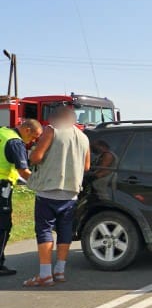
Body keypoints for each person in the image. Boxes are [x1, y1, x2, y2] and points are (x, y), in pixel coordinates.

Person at [23, 107, 90, 287]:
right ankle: (59, 271)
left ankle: (45, 275)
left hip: (49, 189)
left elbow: (37, 157)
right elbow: (86, 167)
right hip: (71, 192)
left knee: (44, 230)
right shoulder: (84, 137)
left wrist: (33, 153)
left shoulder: (52, 130)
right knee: (64, 230)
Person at [0, 119, 43, 276]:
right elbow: (23, 171)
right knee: (3, 225)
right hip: (2, 187)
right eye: (34, 137)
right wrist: (41, 185)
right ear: (27, 130)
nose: (33, 141)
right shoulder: (15, 142)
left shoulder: (3, 132)